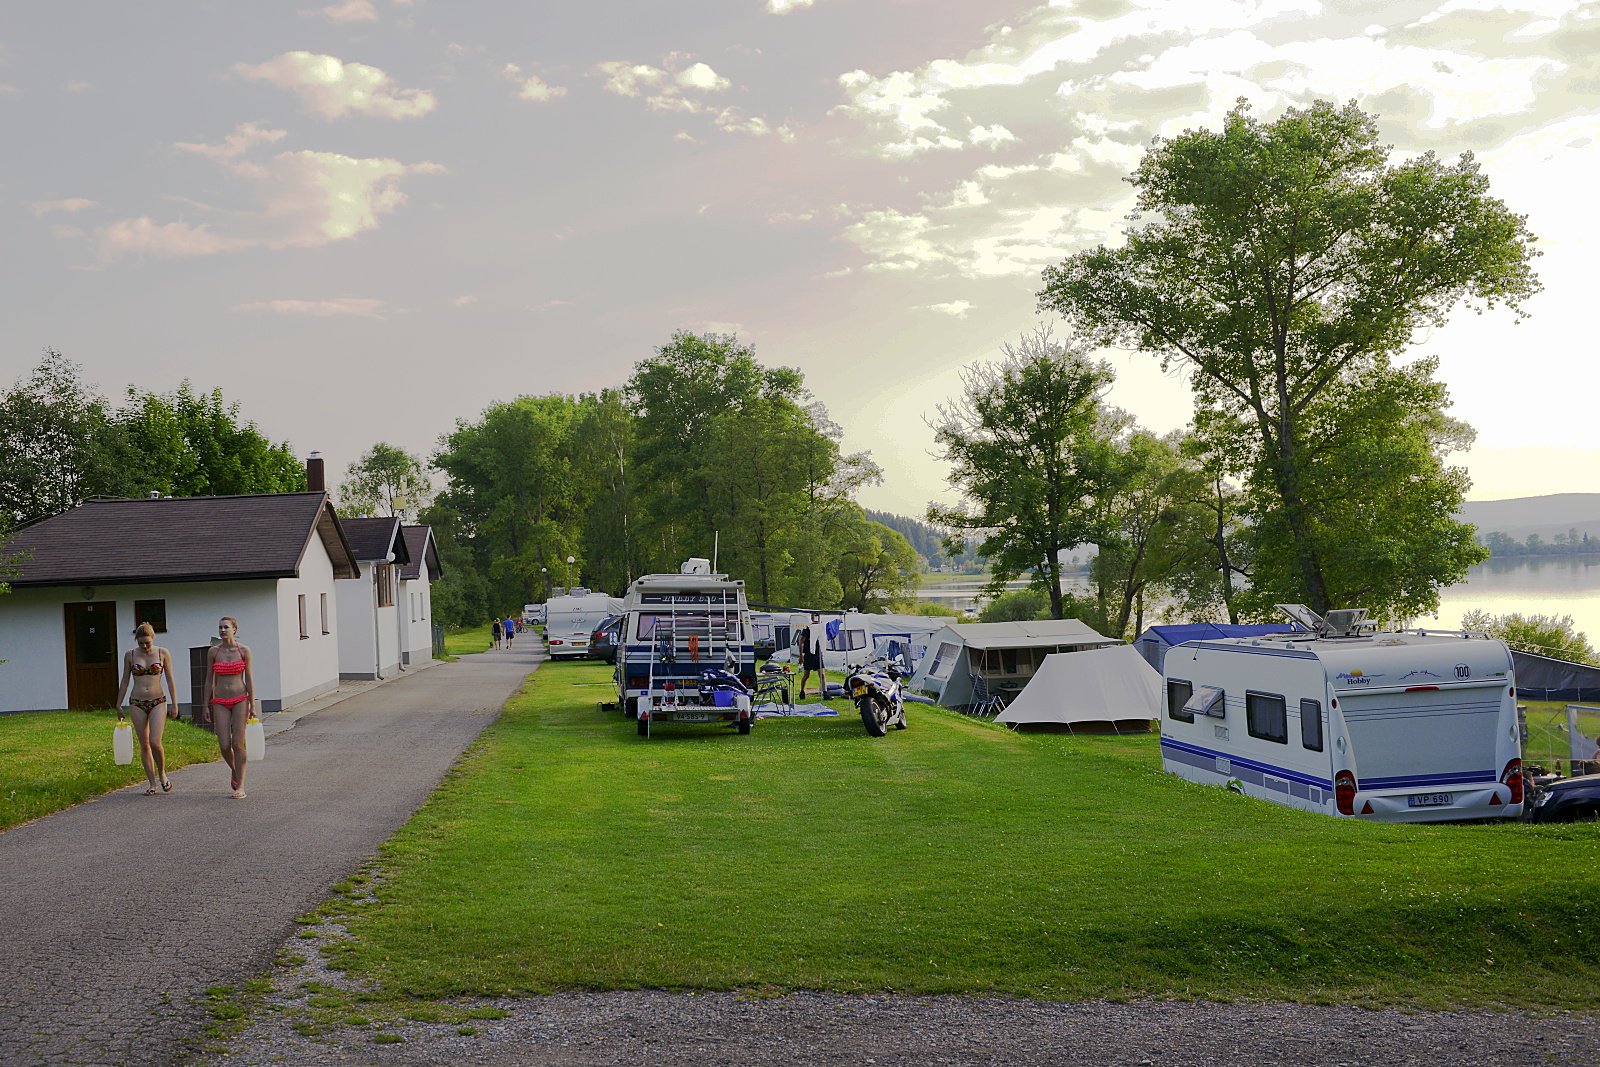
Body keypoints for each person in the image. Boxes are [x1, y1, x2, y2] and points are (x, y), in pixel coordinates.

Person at [114, 622, 177, 795]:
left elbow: (170, 680)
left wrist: (174, 703)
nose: (144, 646)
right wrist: (118, 704)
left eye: (147, 643)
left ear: (153, 638)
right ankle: (152, 783)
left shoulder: (162, 653)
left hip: (158, 701)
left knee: (155, 742)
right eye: (140, 643)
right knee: (144, 744)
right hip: (137, 702)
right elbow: (125, 680)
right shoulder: (130, 655)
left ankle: (162, 774)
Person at [203, 616, 255, 799]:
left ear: (234, 629)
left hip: (240, 699)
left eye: (226, 627)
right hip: (220, 701)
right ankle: (234, 769)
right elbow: (209, 679)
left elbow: (249, 678)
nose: (222, 630)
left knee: (237, 743)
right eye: (220, 627)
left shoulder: (244, 651)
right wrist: (205, 705)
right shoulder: (213, 652)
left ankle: (241, 785)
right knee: (224, 745)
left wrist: (252, 704)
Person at [798, 612, 828, 701]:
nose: (816, 619)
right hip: (809, 654)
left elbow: (822, 641)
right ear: (811, 618)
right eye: (814, 617)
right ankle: (802, 691)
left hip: (818, 654)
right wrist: (801, 655)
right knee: (806, 675)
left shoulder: (821, 628)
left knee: (822, 674)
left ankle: (825, 693)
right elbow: (801, 642)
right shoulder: (807, 629)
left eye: (817, 617)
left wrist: (822, 653)